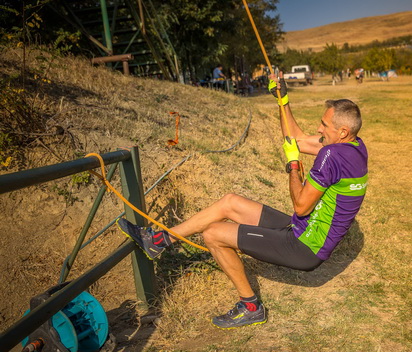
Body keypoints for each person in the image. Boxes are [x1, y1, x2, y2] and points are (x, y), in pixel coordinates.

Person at [116, 75, 368, 329]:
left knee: (213, 234)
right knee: (230, 202)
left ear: (342, 131)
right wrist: (283, 101)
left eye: (324, 125)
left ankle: (250, 307)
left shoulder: (331, 156)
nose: (319, 129)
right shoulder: (356, 146)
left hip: (305, 247)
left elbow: (301, 206)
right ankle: (159, 241)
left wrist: (293, 165)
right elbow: (296, 140)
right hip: (302, 229)